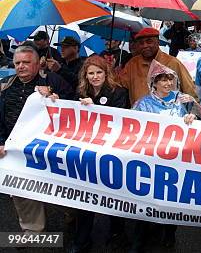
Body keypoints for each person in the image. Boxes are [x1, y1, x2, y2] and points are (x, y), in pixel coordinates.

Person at [0, 44, 73, 234]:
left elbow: (73, 102)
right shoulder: (5, 83)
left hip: (47, 146)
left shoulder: (52, 80)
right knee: (20, 190)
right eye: (17, 63)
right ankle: (32, 229)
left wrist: (56, 97)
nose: (21, 66)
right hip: (15, 147)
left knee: (59, 187)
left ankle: (70, 216)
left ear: (37, 64)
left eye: (26, 62)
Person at [131, 61, 201, 251]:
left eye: (170, 78)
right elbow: (131, 129)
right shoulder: (142, 103)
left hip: (175, 161)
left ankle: (169, 233)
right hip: (149, 160)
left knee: (171, 199)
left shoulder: (184, 101)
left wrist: (193, 117)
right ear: (153, 82)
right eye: (162, 79)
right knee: (145, 199)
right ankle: (140, 238)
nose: (167, 83)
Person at [72, 55, 130, 253]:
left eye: (99, 72)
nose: (95, 77)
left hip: (110, 153)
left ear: (106, 74)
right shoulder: (80, 92)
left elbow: (119, 121)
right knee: (84, 197)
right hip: (87, 153)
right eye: (91, 73)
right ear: (85, 76)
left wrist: (95, 109)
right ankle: (82, 240)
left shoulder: (119, 92)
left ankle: (117, 233)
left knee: (112, 194)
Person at [120, 27, 197, 105]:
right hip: (139, 114)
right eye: (141, 43)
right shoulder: (132, 64)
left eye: (149, 42)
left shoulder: (172, 62)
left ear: (158, 42)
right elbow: (119, 85)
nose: (145, 45)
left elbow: (190, 91)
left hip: (167, 114)